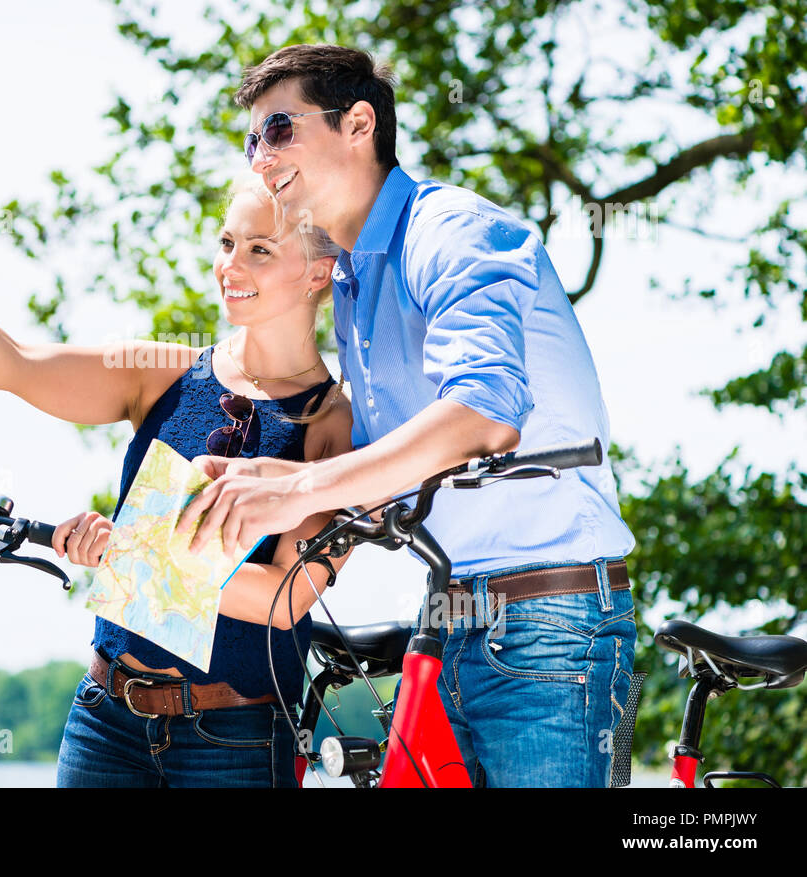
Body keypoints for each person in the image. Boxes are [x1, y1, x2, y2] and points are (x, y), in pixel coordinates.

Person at [179, 44, 638, 787]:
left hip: (550, 624)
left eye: (281, 130)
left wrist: (295, 490)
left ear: (359, 124)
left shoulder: (450, 232)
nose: (260, 158)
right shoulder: (359, 279)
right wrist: (249, 483)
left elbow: (483, 414)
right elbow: (387, 471)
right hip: (450, 619)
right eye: (252, 139)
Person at [0, 180, 353, 787]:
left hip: (234, 739)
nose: (230, 265)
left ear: (319, 272)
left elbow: (283, 601)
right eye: (227, 242)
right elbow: (14, 365)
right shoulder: (167, 373)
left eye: (259, 249)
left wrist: (124, 552)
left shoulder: (332, 425)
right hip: (106, 718)